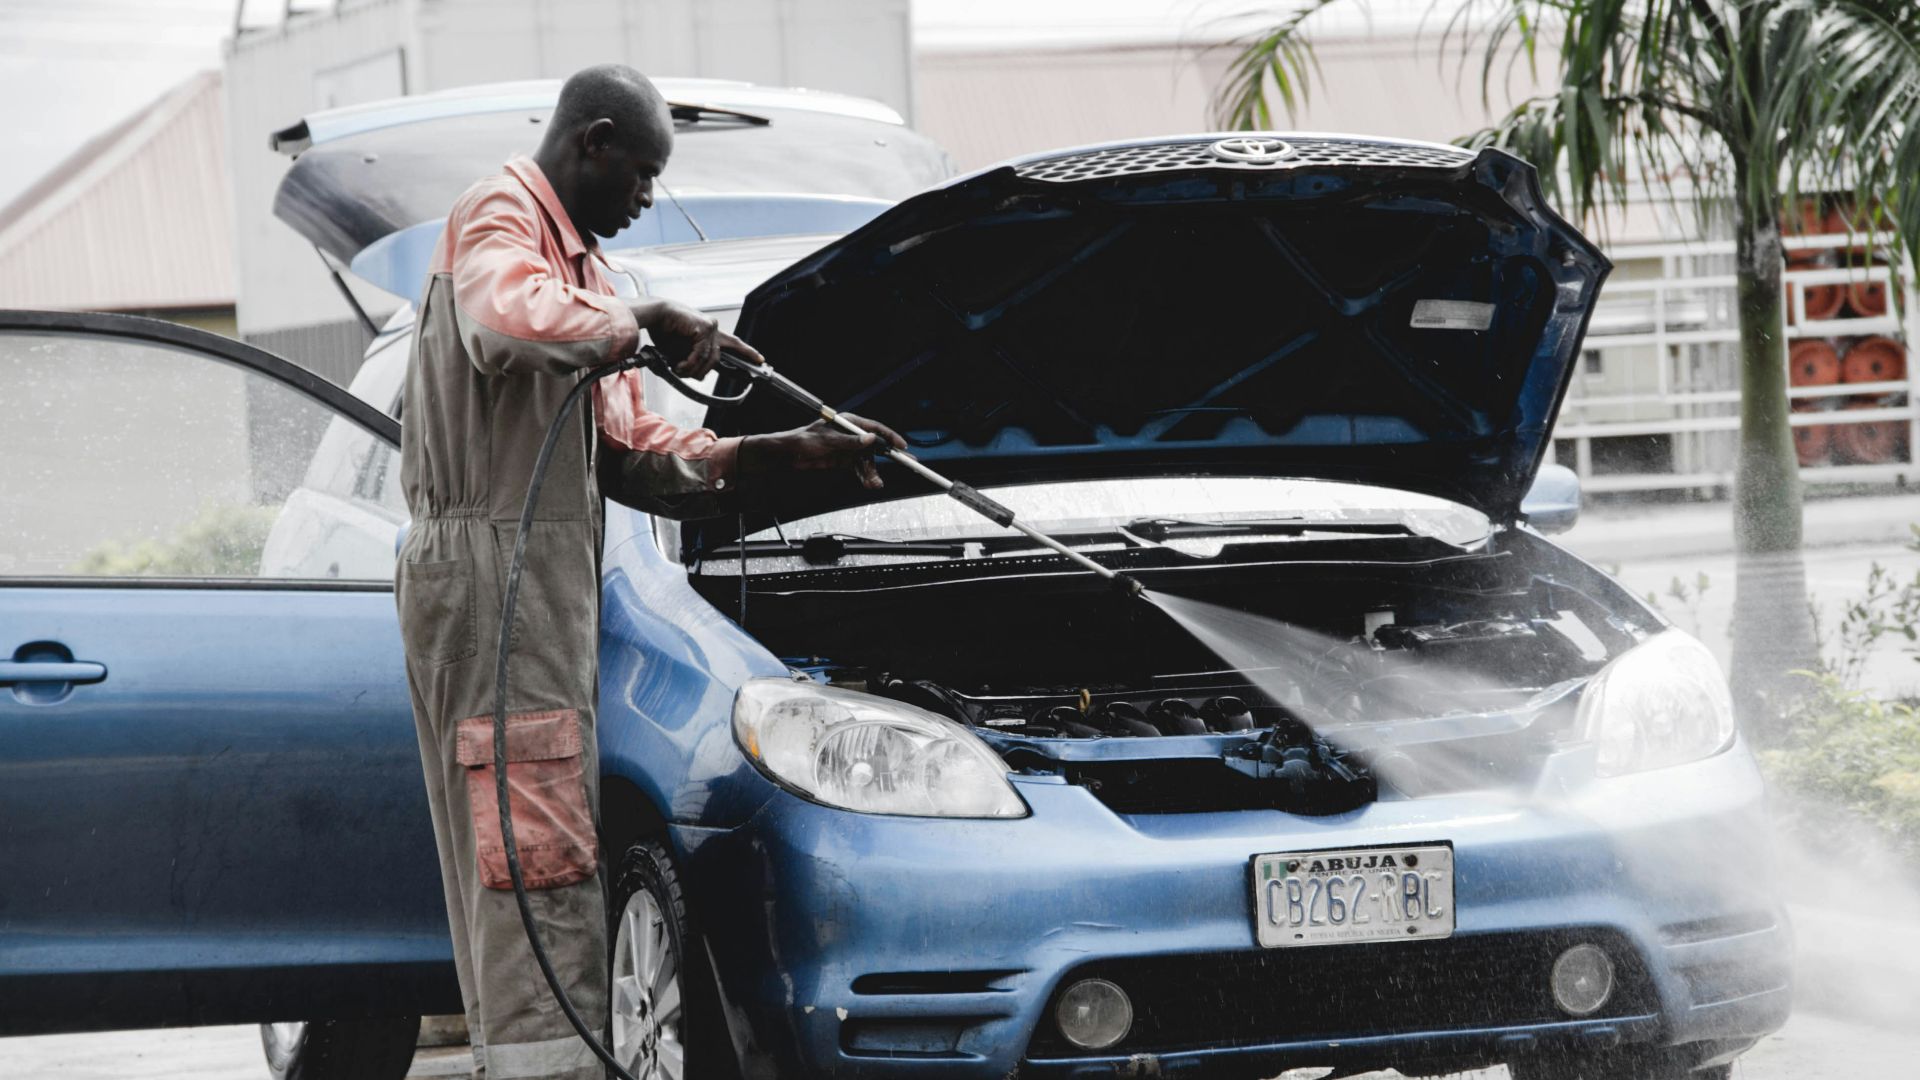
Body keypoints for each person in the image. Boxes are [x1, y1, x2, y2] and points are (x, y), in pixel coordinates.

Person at [393, 63, 903, 1080]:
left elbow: (629, 451)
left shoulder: (584, 272)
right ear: (591, 141)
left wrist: (776, 452)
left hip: (542, 575)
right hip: (492, 573)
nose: (644, 200)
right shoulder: (501, 213)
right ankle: (550, 1066)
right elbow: (503, 322)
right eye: (640, 175)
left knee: (549, 833)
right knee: (528, 843)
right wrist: (646, 321)